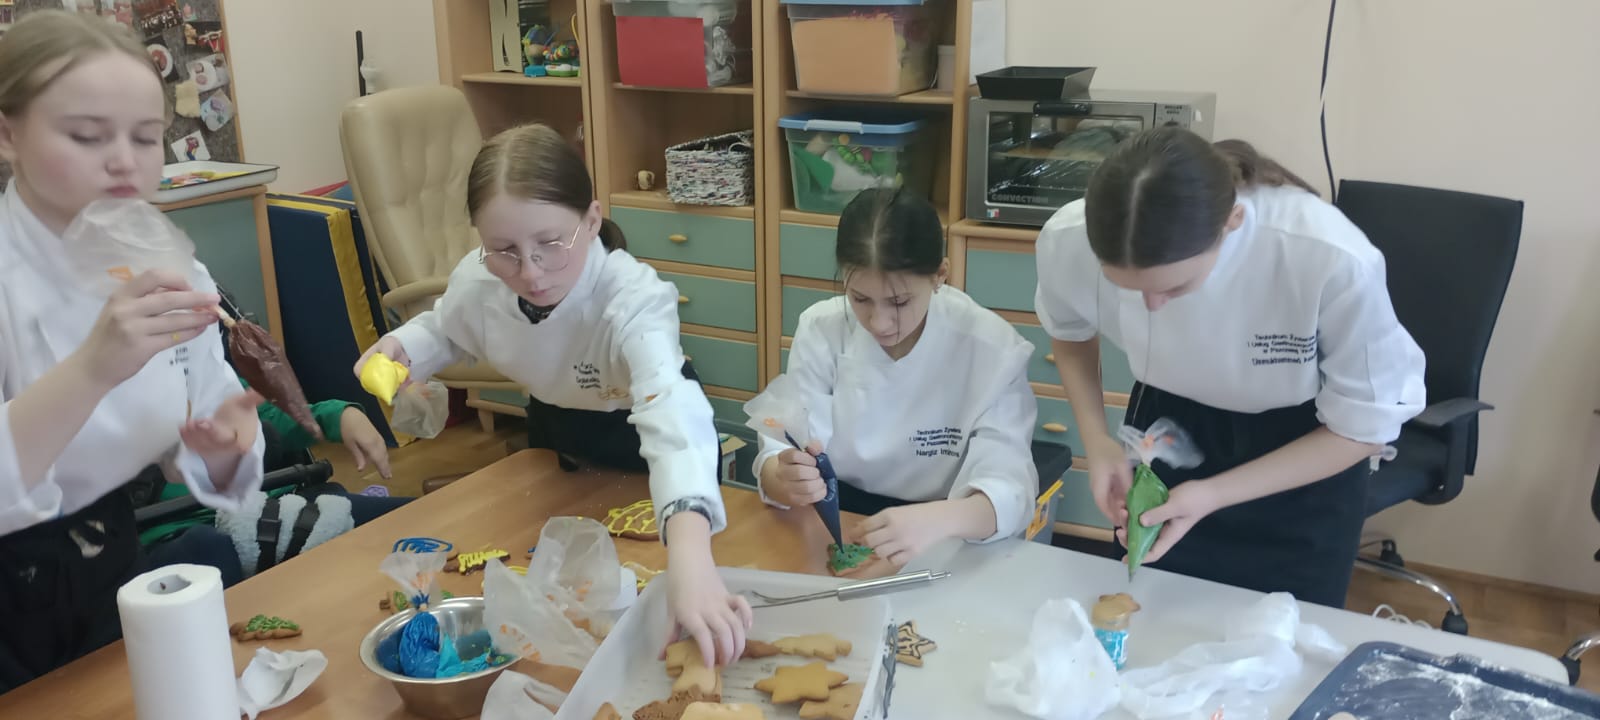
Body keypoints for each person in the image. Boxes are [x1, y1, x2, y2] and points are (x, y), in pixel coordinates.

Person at [355, 123, 750, 667]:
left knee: (653, 575)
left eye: (549, 244)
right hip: (553, 424)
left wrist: (690, 559)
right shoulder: (481, 281)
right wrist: (403, 349)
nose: (530, 272)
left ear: (591, 220)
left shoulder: (632, 296)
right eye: (504, 250)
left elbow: (670, 410)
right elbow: (447, 329)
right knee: (563, 573)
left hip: (640, 439)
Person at [1034, 126, 1426, 607]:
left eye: (1174, 288)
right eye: (1130, 289)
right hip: (1169, 432)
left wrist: (1213, 494)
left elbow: (1363, 428)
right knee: (1153, 617)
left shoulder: (1328, 257)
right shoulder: (1069, 239)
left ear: (1232, 222)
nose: (1153, 306)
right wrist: (1097, 442)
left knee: (1285, 635)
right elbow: (1070, 334)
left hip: (1302, 461)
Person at [0, 11, 264, 692]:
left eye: (146, 137)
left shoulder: (165, 264)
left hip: (105, 556)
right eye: (87, 135)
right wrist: (92, 369)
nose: (124, 159)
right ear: (7, 134)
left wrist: (224, 448)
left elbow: (208, 425)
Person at [753, 188, 1038, 568]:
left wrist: (941, 519)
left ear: (940, 275)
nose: (879, 322)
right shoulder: (822, 329)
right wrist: (784, 477)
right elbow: (778, 455)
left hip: (945, 530)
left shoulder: (992, 348)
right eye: (860, 299)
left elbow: (1010, 489)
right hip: (840, 519)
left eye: (899, 302)